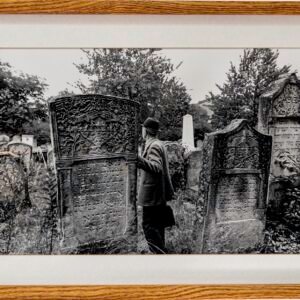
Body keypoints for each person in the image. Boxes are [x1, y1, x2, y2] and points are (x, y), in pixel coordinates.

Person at [137, 117, 175, 254]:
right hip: (158, 193)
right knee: (158, 226)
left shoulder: (154, 146)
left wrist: (138, 160)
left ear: (145, 130)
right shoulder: (158, 143)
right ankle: (161, 252)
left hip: (152, 195)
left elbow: (157, 167)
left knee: (149, 226)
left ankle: (159, 255)